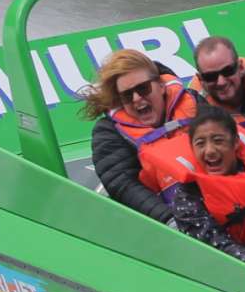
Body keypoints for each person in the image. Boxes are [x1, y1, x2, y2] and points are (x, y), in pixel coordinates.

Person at [161, 105, 245, 265]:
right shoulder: (187, 195)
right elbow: (217, 247)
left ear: (235, 142)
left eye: (218, 141)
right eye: (200, 144)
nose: (209, 151)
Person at [84, 49, 200, 223]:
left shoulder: (194, 102)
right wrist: (170, 221)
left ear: (161, 85)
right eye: (127, 95)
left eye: (143, 88)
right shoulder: (108, 134)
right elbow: (123, 184)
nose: (137, 98)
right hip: (173, 224)